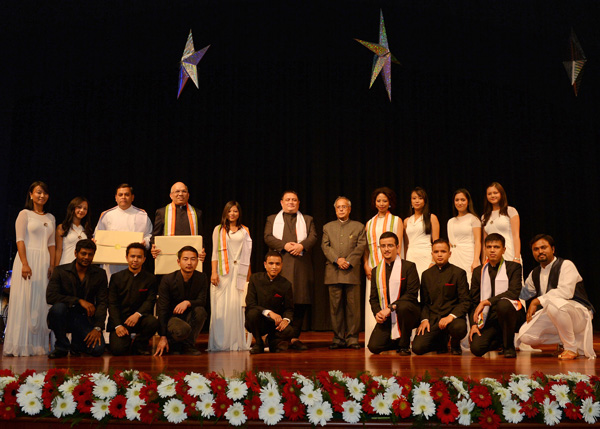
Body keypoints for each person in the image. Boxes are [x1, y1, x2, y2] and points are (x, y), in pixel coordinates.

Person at [515, 234, 595, 360]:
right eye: (536, 249)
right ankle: (565, 340)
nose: (540, 251)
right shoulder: (534, 273)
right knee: (525, 335)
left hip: (578, 313)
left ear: (552, 249)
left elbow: (566, 292)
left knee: (553, 305)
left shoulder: (566, 265)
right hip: (555, 313)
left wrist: (537, 301)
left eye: (543, 247)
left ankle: (570, 348)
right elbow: (522, 295)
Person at [3, 181, 56, 357]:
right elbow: (20, 240)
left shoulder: (51, 218)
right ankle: (20, 345)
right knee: (24, 300)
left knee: (41, 302)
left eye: (45, 193)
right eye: (39, 192)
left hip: (44, 262)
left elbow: (52, 244)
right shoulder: (24, 214)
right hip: (27, 260)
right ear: (31, 194)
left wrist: (52, 265)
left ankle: (37, 346)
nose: (42, 196)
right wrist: (25, 263)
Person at [264, 190, 317, 351]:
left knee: (300, 301)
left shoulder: (307, 220)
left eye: (294, 200)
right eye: (288, 200)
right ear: (281, 202)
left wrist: (302, 246)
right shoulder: (272, 219)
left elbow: (313, 237)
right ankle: (277, 338)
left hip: (301, 265)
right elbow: (267, 237)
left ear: (298, 203)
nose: (291, 202)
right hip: (280, 265)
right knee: (279, 301)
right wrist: (284, 245)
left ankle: (294, 337)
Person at [46, 239, 107, 358]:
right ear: (76, 253)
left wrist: (97, 327)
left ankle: (77, 344)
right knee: (57, 308)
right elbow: (50, 296)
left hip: (86, 319)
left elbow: (102, 302)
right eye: (83, 253)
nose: (86, 257)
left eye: (90, 254)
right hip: (65, 317)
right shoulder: (60, 271)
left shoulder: (100, 274)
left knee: (98, 350)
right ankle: (61, 346)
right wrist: (78, 301)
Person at [322, 196, 367, 349]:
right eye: (338, 207)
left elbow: (361, 246)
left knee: (353, 308)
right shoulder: (328, 227)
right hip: (333, 272)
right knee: (335, 308)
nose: (341, 209)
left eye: (344, 207)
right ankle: (338, 338)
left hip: (351, 272)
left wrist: (348, 261)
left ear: (349, 209)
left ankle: (353, 338)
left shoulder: (359, 226)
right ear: (335, 210)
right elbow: (325, 246)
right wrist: (337, 259)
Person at [469, 233, 525, 358]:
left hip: (512, 315)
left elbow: (513, 292)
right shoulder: (479, 271)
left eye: (496, 247)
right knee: (476, 349)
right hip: (489, 318)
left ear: (504, 250)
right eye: (489, 247)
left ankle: (508, 346)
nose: (492, 250)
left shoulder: (513, 267)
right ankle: (500, 339)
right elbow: (473, 300)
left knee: (503, 303)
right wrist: (473, 325)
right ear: (485, 249)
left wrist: (487, 301)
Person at [412, 239, 470, 355]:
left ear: (449, 254)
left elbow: (465, 301)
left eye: (443, 251)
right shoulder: (426, 274)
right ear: (432, 254)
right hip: (433, 318)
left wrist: (451, 316)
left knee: (459, 327)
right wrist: (424, 319)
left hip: (453, 318)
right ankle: (441, 341)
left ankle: (454, 343)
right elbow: (424, 302)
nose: (439, 254)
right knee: (417, 348)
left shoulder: (459, 273)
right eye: (436, 251)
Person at [208, 201, 252, 351]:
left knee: (236, 306)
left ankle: (235, 342)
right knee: (220, 307)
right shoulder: (218, 230)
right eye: (229, 211)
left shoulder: (245, 230)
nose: (232, 214)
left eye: (235, 211)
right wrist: (213, 272)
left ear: (239, 213)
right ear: (225, 213)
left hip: (239, 270)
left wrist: (248, 277)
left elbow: (247, 255)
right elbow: (214, 253)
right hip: (222, 271)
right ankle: (220, 342)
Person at [367, 232, 420, 355]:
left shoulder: (409, 267)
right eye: (383, 246)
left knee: (404, 306)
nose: (386, 249)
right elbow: (373, 298)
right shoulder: (376, 271)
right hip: (388, 316)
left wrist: (391, 307)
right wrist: (378, 313)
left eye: (390, 245)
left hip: (409, 313)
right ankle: (397, 340)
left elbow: (412, 294)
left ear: (397, 247)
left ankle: (404, 344)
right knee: (374, 347)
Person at [363, 187, 403, 346]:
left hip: (391, 267)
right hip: (373, 267)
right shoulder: (369, 223)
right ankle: (375, 335)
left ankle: (395, 338)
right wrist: (366, 264)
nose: (381, 203)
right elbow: (366, 247)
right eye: (378, 200)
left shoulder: (396, 220)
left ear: (390, 202)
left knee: (392, 299)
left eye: (384, 201)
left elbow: (399, 245)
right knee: (373, 301)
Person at [154, 246, 208, 356]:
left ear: (197, 261)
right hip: (173, 318)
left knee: (201, 311)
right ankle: (173, 343)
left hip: (189, 316)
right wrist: (162, 336)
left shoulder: (201, 277)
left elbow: (202, 301)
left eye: (193, 259)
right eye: (185, 259)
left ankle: (188, 346)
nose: (189, 263)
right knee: (183, 329)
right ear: (178, 262)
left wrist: (187, 302)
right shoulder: (168, 279)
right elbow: (162, 309)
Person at [107, 243, 159, 356]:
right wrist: (118, 325)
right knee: (118, 350)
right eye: (132, 256)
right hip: (121, 321)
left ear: (144, 259)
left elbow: (150, 301)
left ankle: (139, 344)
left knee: (153, 322)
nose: (135, 260)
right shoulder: (116, 278)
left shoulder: (151, 278)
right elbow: (112, 303)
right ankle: (125, 340)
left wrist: (138, 314)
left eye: (139, 257)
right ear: (126, 257)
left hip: (139, 319)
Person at [94, 183, 153, 277]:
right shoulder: (107, 215)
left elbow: (149, 235)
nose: (123, 197)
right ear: (116, 197)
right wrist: (96, 241)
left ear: (132, 197)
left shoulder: (142, 215)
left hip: (134, 263)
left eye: (127, 194)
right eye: (120, 195)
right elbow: (97, 236)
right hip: (111, 264)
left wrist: (145, 242)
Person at [245, 251, 294, 354]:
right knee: (252, 313)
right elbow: (251, 304)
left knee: (289, 331)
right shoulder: (255, 279)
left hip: (275, 323)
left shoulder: (286, 284)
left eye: (277, 264)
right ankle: (259, 343)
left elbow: (289, 308)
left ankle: (271, 341)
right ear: (265, 265)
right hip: (258, 320)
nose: (274, 267)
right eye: (271, 263)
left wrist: (285, 320)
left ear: (281, 265)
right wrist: (269, 312)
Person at [151, 181, 206, 262]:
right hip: (168, 256)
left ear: (188, 195)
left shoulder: (197, 213)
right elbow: (155, 236)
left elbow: (201, 236)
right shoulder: (162, 212)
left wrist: (202, 250)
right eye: (177, 191)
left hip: (190, 259)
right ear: (171, 195)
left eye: (184, 191)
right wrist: (153, 248)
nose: (180, 194)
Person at [404, 187, 439, 279]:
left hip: (426, 254)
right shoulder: (407, 221)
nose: (417, 201)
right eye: (414, 198)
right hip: (411, 254)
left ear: (424, 201)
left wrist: (433, 261)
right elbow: (406, 243)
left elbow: (436, 242)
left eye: (420, 198)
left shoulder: (431, 218)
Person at [481, 182, 521, 264]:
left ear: (501, 194)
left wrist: (516, 257)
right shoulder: (484, 217)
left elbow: (516, 236)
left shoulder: (510, 211)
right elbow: (484, 241)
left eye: (495, 193)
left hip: (509, 252)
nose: (492, 196)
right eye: (489, 194)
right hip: (491, 256)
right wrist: (484, 260)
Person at [447, 189, 481, 283]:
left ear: (468, 201)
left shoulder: (473, 219)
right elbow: (450, 242)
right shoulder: (451, 221)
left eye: (463, 200)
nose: (459, 203)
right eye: (457, 200)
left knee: (469, 281)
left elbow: (478, 241)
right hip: (454, 256)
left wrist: (476, 260)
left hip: (468, 255)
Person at [55, 197, 93, 266]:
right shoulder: (62, 227)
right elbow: (58, 250)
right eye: (79, 207)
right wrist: (55, 269)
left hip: (81, 269)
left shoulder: (86, 230)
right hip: (65, 266)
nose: (82, 210)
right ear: (72, 208)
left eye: (85, 209)